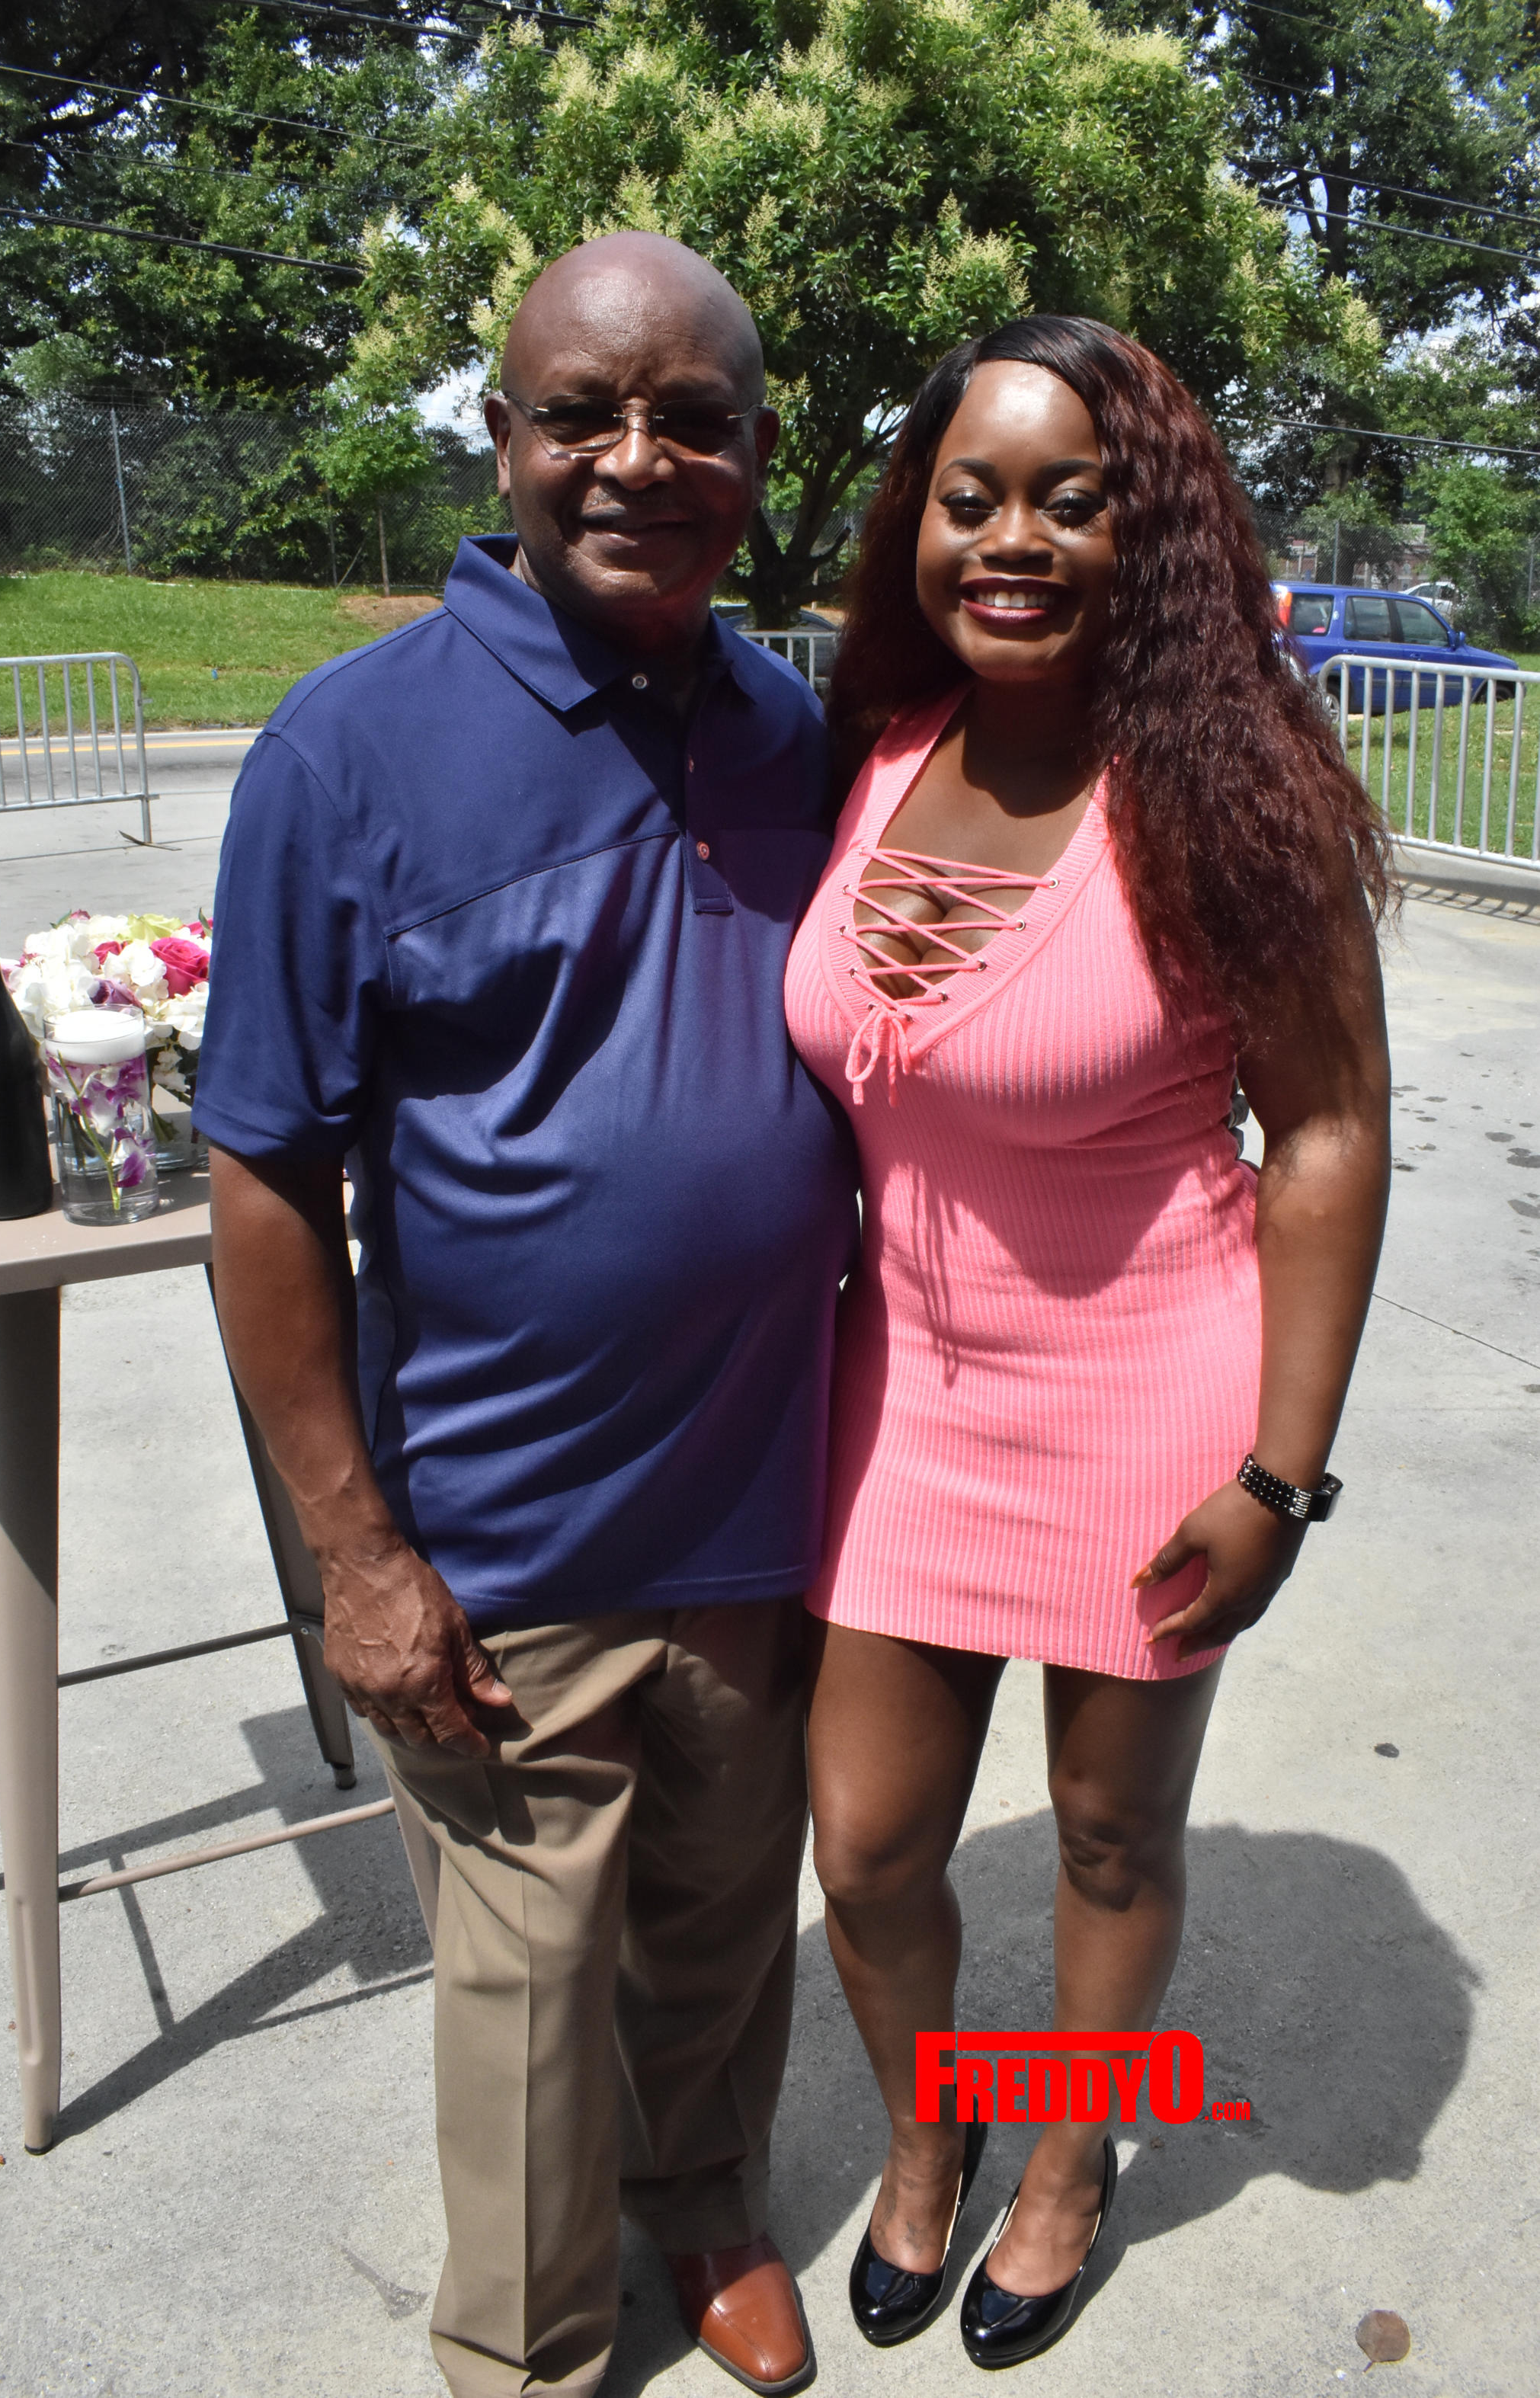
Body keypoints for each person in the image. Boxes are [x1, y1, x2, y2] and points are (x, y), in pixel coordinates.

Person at [195, 232, 858, 2398]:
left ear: (760, 455)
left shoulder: (797, 734)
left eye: (693, 421)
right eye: (582, 413)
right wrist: (355, 1553)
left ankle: (710, 2209)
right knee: (524, 2008)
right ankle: (528, 2349)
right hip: (497, 1532)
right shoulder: (348, 752)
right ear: (503, 440)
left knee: (719, 1925)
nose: (636, 460)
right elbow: (264, 1172)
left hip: (758, 1508)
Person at [783, 316, 1392, 2369]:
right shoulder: (879, 747)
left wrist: (1278, 1473)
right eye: (971, 497)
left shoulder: (1225, 794)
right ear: (917, 521)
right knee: (867, 1844)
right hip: (903, 1395)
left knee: (1114, 1838)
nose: (1013, 539)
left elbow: (1326, 1132)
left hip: (1154, 1401)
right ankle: (929, 2128)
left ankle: (1063, 2161)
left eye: (1072, 499)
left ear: (1155, 534)